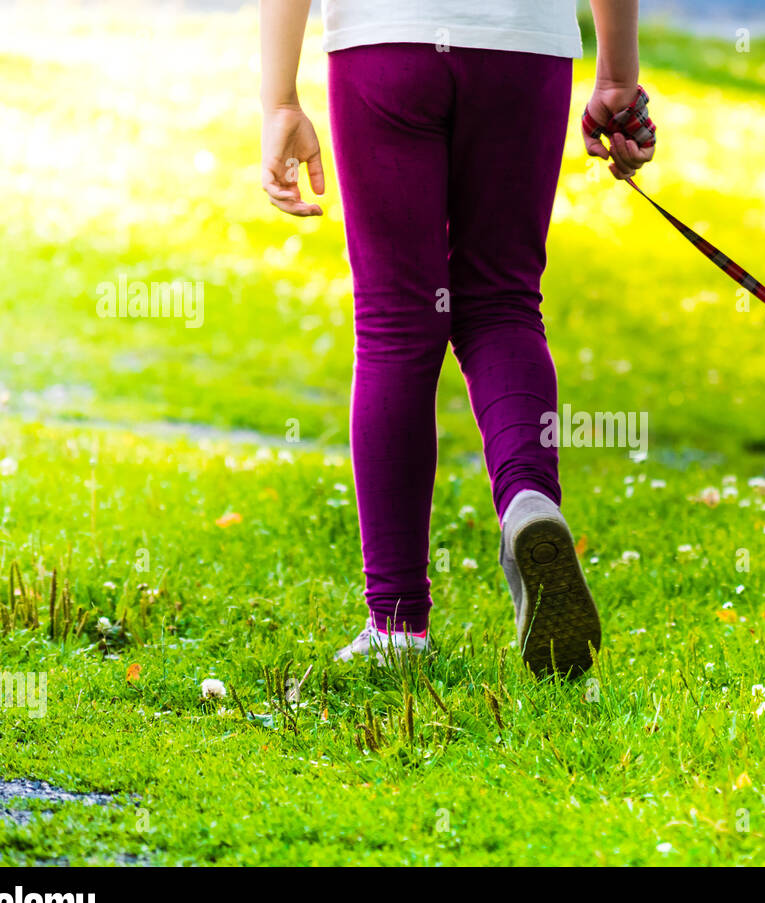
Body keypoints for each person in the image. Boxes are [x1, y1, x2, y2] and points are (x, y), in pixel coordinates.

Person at [258, 0, 656, 675]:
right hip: (522, 46)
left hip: (386, 42)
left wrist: (279, 101)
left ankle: (396, 625)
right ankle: (529, 500)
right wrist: (617, 74)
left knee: (394, 321)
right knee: (503, 303)